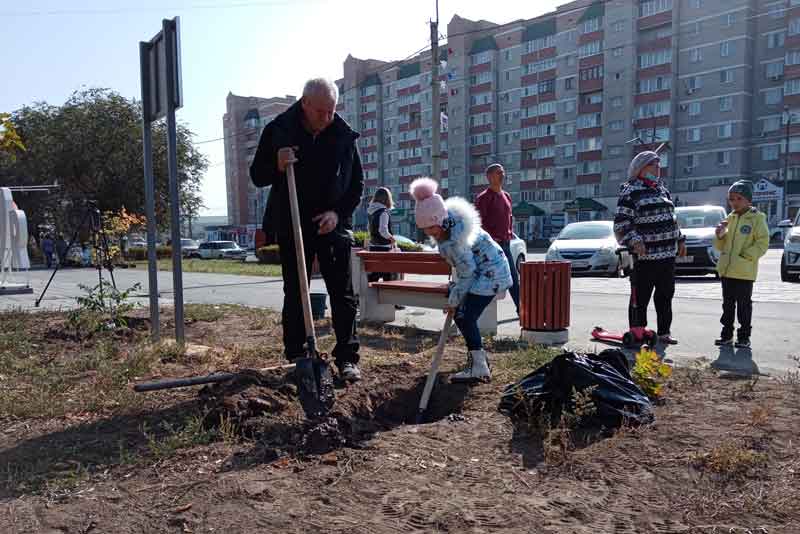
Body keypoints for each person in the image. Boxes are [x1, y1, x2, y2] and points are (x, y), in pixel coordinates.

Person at [250, 78, 364, 382]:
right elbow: (257, 176)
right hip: (292, 223)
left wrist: (337, 215)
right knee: (296, 292)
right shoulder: (279, 130)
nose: (327, 118)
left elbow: (356, 186)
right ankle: (298, 355)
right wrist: (276, 162)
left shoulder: (343, 136)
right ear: (304, 104)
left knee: (343, 294)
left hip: (332, 226)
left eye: (332, 111)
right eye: (320, 111)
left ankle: (347, 358)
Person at [410, 177, 511, 383]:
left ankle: (479, 366)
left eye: (431, 229)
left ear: (440, 220)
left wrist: (454, 300)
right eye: (425, 230)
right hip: (485, 272)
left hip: (490, 275)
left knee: (465, 317)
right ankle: (478, 360)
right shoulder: (450, 227)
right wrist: (455, 297)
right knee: (463, 316)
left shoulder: (457, 242)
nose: (429, 234)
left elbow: (467, 273)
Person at [614, 151, 686, 345]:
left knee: (665, 295)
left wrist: (680, 239)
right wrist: (635, 240)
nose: (658, 168)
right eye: (653, 164)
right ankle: (637, 331)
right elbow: (622, 224)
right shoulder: (630, 191)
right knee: (641, 296)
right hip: (644, 257)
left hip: (667, 256)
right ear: (640, 168)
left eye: (658, 164)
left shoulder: (661, 190)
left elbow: (672, 219)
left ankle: (664, 332)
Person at [713, 180, 769, 349]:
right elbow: (720, 246)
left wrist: (746, 256)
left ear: (748, 200)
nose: (734, 203)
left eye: (738, 199)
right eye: (731, 199)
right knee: (727, 305)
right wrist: (720, 235)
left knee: (744, 306)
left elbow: (763, 242)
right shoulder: (730, 218)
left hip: (744, 272)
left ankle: (744, 337)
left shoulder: (757, 219)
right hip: (727, 271)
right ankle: (726, 335)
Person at [474, 163, 520, 316]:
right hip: (492, 246)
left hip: (506, 244)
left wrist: (510, 232)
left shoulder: (506, 196)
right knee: (499, 279)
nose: (502, 175)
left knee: (512, 278)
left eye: (503, 172)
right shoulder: (484, 198)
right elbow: (478, 224)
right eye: (498, 173)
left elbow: (508, 217)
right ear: (489, 177)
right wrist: (490, 240)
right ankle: (475, 312)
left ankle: (522, 310)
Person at [366, 187, 397, 283]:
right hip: (384, 247)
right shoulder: (383, 212)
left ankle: (370, 296)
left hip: (373, 246)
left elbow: (369, 229)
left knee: (374, 275)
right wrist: (392, 238)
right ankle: (387, 297)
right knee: (387, 276)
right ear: (387, 198)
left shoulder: (371, 212)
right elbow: (383, 230)